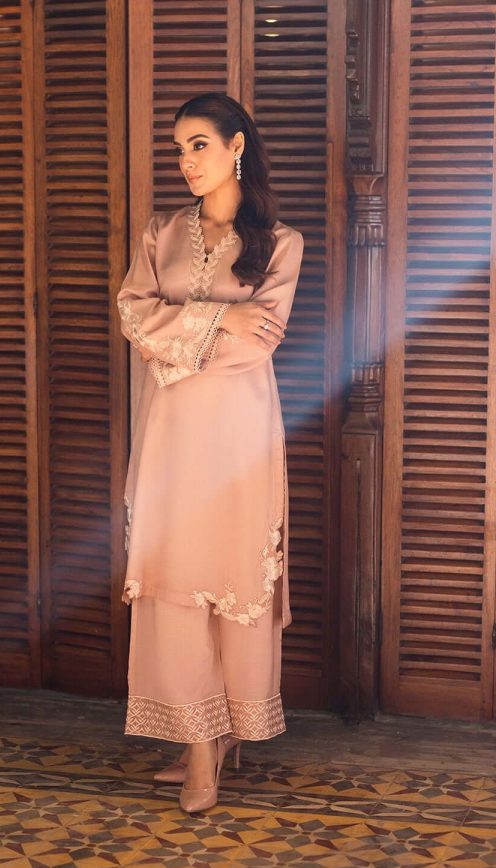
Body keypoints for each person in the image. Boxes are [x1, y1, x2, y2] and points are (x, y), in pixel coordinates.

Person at [116, 92, 305, 813]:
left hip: (238, 436)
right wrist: (224, 314)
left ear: (236, 146)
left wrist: (178, 334)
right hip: (167, 433)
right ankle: (198, 741)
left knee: (229, 575)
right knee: (173, 577)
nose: (186, 161)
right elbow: (132, 313)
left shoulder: (279, 244)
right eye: (178, 148)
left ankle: (220, 739)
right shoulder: (160, 233)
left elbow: (261, 343)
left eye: (199, 144)